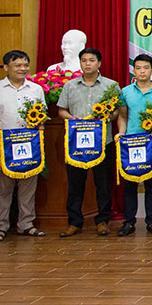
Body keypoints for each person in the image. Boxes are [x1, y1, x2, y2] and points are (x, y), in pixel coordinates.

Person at [57, 48, 118, 238]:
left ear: (99, 63)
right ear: (80, 63)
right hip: (77, 144)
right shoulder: (70, 86)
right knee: (75, 184)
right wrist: (71, 118)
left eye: (92, 60)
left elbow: (118, 111)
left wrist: (107, 117)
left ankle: (102, 221)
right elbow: (61, 110)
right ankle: (74, 222)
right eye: (84, 60)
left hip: (103, 142)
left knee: (103, 184)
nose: (87, 63)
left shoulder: (111, 85)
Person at [0, 50, 47, 241]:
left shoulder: (36, 89)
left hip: (30, 145)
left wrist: (39, 126)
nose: (23, 69)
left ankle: (26, 224)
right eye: (18, 65)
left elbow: (42, 115)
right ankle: (0, 225)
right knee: (3, 187)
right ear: (6, 67)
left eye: (25, 65)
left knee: (28, 186)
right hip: (4, 146)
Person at [114, 54, 152, 237]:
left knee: (151, 185)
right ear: (134, 70)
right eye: (138, 68)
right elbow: (122, 116)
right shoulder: (125, 92)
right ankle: (129, 222)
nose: (142, 71)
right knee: (130, 185)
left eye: (146, 68)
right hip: (131, 145)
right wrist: (121, 133)